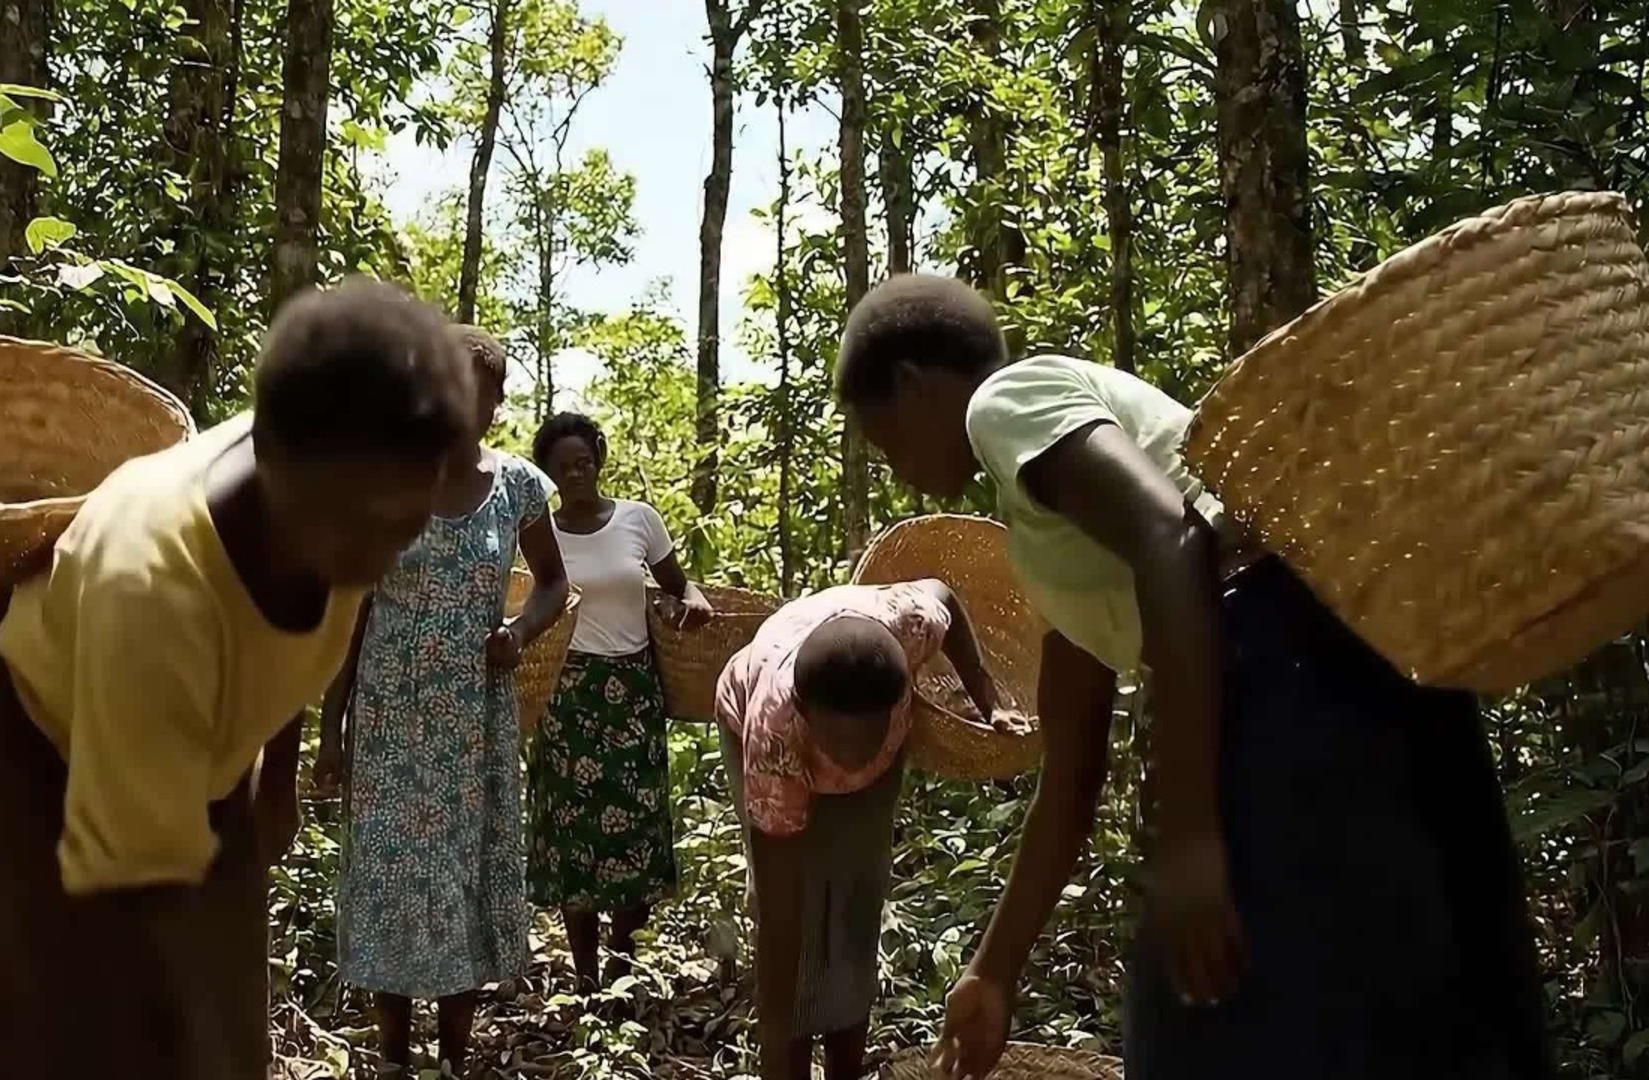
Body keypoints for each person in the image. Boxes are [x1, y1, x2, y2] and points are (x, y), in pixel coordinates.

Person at [833, 273, 1549, 1080]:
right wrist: (993, 970)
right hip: (1321, 678)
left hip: (1295, 665)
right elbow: (1071, 775)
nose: (895, 469)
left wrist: (1191, 838)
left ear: (914, 385)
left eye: (885, 442)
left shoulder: (1004, 403)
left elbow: (1175, 540)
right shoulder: (1050, 541)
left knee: (1226, 1018)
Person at [0, 278, 475, 1080]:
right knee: (51, 1004)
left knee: (224, 1004)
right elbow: (141, 905)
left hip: (204, 733)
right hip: (50, 728)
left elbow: (289, 644)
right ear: (277, 464)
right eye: (369, 526)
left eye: (407, 524)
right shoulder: (152, 585)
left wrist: (278, 782)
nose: (384, 558)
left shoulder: (356, 486)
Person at [313, 322, 569, 1078]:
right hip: (391, 719)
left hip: (471, 723)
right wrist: (332, 729)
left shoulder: (518, 486)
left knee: (463, 878)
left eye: (481, 395)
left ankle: (452, 1061)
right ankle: (394, 1058)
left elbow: (553, 583)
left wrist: (519, 632)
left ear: (495, 405)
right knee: (391, 881)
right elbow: (354, 612)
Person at [717, 581, 1004, 1080]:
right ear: (806, 715)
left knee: (858, 893)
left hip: (858, 715)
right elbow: (780, 918)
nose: (857, 757)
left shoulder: (913, 624)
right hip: (753, 716)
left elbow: (946, 595)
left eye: (870, 738)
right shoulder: (775, 737)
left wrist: (987, 698)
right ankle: (796, 1057)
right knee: (800, 915)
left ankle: (845, 1058)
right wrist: (773, 1054)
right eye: (841, 745)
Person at [524, 411, 713, 992]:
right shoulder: (538, 532)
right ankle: (585, 981)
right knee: (573, 836)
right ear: (549, 474)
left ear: (599, 458)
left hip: (632, 693)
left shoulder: (639, 521)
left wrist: (694, 604)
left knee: (636, 831)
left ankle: (621, 969)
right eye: (564, 468)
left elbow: (682, 585)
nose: (577, 474)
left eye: (585, 462)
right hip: (567, 694)